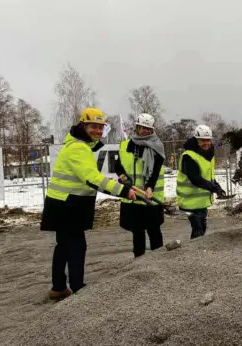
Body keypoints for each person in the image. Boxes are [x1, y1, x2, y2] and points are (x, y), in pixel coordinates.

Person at [40, 108, 136, 300]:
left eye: (101, 128)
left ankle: (58, 287)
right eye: (93, 127)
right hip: (68, 206)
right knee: (76, 246)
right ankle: (78, 289)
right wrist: (124, 191)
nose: (98, 132)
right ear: (83, 125)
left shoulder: (77, 144)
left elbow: (91, 155)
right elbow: (93, 178)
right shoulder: (78, 148)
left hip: (62, 203)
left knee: (63, 246)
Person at [114, 113, 166, 258]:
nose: (145, 131)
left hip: (150, 196)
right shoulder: (125, 145)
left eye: (148, 129)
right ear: (137, 127)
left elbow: (155, 170)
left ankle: (159, 260)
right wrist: (121, 174)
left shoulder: (157, 146)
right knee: (137, 232)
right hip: (133, 195)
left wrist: (150, 187)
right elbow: (118, 165)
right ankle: (140, 264)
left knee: (154, 231)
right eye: (142, 128)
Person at [176, 125, 226, 239]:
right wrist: (214, 188)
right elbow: (195, 179)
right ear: (196, 140)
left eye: (208, 140)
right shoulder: (188, 156)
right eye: (202, 140)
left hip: (201, 202)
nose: (206, 143)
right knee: (198, 229)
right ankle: (193, 253)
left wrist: (217, 186)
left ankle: (197, 252)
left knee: (202, 227)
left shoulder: (209, 155)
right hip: (188, 201)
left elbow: (208, 176)